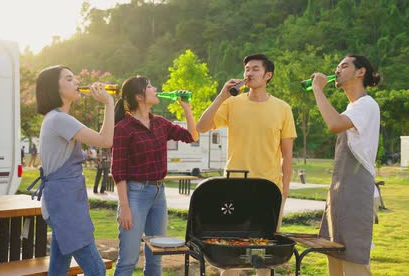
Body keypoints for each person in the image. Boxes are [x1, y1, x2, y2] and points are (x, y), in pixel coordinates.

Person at [196, 53, 296, 276]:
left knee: (265, 255)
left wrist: (285, 188)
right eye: (247, 69)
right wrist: (221, 96)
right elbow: (201, 127)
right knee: (233, 253)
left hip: (269, 188)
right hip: (234, 186)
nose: (249, 73)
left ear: (268, 75)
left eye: (255, 69)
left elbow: (287, 154)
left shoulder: (283, 108)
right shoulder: (231, 103)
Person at [30, 65, 114, 276]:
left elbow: (102, 140)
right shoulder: (59, 119)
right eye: (69, 79)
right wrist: (109, 103)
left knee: (58, 268)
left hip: (63, 200)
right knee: (96, 270)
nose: (77, 82)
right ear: (54, 88)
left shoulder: (56, 118)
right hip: (65, 203)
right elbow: (106, 141)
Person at [111, 75, 199, 276]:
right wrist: (124, 207)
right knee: (128, 260)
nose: (155, 88)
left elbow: (192, 136)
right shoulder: (123, 128)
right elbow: (118, 170)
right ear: (139, 96)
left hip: (159, 194)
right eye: (150, 86)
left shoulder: (160, 123)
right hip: (135, 195)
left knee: (156, 259)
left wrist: (187, 108)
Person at [309, 55, 381, 276]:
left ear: (360, 72)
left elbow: (334, 124)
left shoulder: (366, 104)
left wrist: (318, 90)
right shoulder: (352, 107)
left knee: (353, 261)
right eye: (337, 66)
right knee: (336, 257)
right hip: (341, 194)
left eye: (344, 65)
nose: (337, 69)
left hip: (357, 193)